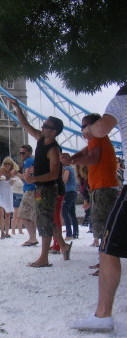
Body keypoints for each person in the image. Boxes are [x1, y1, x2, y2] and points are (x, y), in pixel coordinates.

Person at [71, 85, 127, 332]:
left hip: (107, 188)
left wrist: (88, 129)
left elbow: (100, 131)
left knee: (108, 247)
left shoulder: (121, 99)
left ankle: (103, 315)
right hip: (104, 187)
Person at [10, 98, 72, 267]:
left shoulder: (54, 149)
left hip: (49, 188)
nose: (42, 127)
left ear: (53, 132)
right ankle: (64, 246)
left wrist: (33, 178)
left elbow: (53, 174)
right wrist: (17, 107)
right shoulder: (40, 139)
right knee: (47, 219)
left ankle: (44, 258)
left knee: (44, 221)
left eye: (46, 126)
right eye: (43, 125)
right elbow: (25, 124)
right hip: (40, 188)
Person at [61, 113, 118, 272]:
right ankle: (104, 261)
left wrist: (71, 161)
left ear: (94, 126)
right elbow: (85, 152)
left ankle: (106, 264)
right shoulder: (97, 139)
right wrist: (71, 158)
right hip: (102, 186)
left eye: (85, 125)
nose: (82, 129)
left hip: (103, 187)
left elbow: (92, 158)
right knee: (102, 225)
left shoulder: (98, 137)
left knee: (103, 226)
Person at [16, 145, 39, 247]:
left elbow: (26, 177)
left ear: (29, 152)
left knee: (22, 215)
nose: (21, 155)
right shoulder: (32, 161)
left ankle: (32, 238)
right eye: (20, 153)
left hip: (29, 190)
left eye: (23, 153)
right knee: (31, 216)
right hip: (35, 190)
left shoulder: (28, 161)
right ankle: (33, 237)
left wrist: (16, 174)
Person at [0, 156, 18, 239]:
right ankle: (2, 232)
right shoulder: (1, 169)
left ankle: (7, 232)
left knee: (8, 213)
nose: (7, 165)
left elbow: (11, 184)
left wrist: (12, 180)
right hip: (0, 190)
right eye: (5, 163)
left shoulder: (12, 171)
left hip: (7, 191)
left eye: (8, 164)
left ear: (11, 165)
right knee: (1, 212)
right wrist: (1, 179)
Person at [62, 165, 79, 240]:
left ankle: (69, 233)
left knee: (64, 212)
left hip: (68, 192)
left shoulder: (67, 168)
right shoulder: (72, 169)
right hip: (73, 192)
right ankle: (76, 232)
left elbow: (65, 179)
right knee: (72, 213)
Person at [10, 169, 24, 235]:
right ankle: (13, 230)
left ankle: (20, 230)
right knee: (15, 214)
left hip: (20, 195)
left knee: (19, 215)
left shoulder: (18, 178)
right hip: (16, 195)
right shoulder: (12, 179)